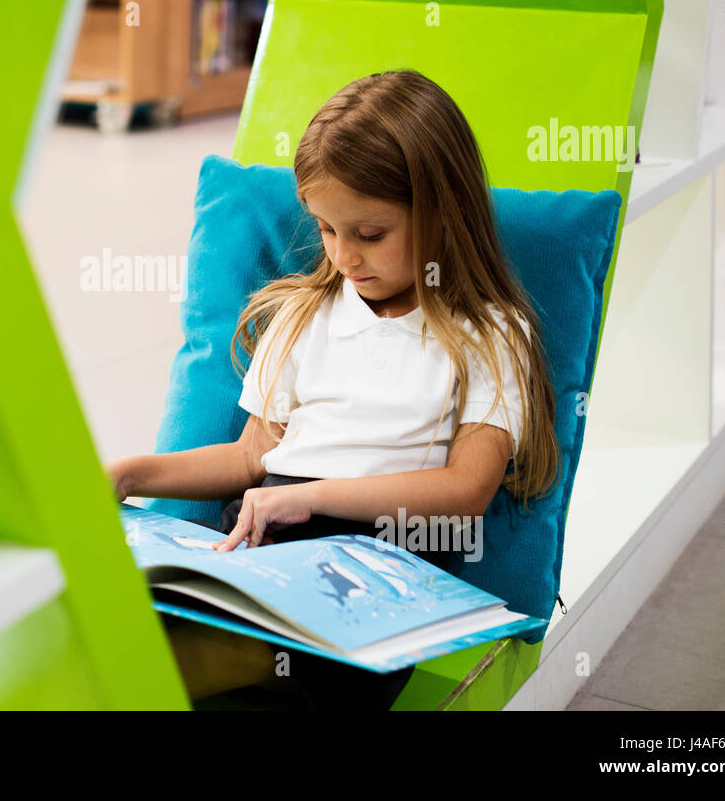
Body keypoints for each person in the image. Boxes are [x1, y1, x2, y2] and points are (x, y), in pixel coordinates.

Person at [105, 69, 561, 709]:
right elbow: (247, 458)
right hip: (264, 540)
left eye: (370, 234)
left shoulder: (488, 334)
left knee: (238, 667)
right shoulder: (301, 316)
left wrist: (311, 498)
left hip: (377, 567)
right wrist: (131, 474)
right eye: (325, 229)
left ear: (442, 214)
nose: (344, 255)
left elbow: (466, 491)